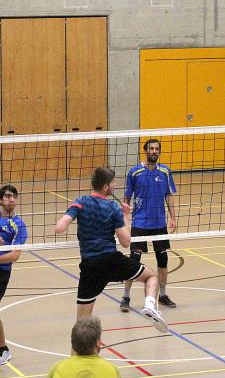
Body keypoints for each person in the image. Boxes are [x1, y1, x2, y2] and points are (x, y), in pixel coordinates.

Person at [55, 167, 168, 332]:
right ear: (105, 187)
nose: (115, 185)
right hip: (112, 261)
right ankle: (150, 305)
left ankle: (82, 345)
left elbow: (59, 228)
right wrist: (126, 216)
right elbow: (126, 242)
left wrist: (71, 218)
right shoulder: (113, 208)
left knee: (81, 323)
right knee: (151, 276)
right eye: (113, 183)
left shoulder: (80, 202)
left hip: (90, 266)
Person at [119, 139, 177, 312]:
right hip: (140, 222)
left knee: (163, 259)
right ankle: (126, 296)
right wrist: (126, 215)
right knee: (133, 260)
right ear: (145, 151)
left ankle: (163, 295)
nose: (154, 151)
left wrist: (173, 217)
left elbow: (169, 195)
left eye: (157, 149)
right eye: (151, 148)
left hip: (159, 222)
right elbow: (127, 196)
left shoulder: (165, 171)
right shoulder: (135, 172)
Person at [0, 185, 28, 365]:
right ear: (0, 200)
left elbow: (15, 256)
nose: (12, 200)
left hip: (2, 272)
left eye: (14, 197)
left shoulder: (18, 225)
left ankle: (3, 350)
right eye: (8, 196)